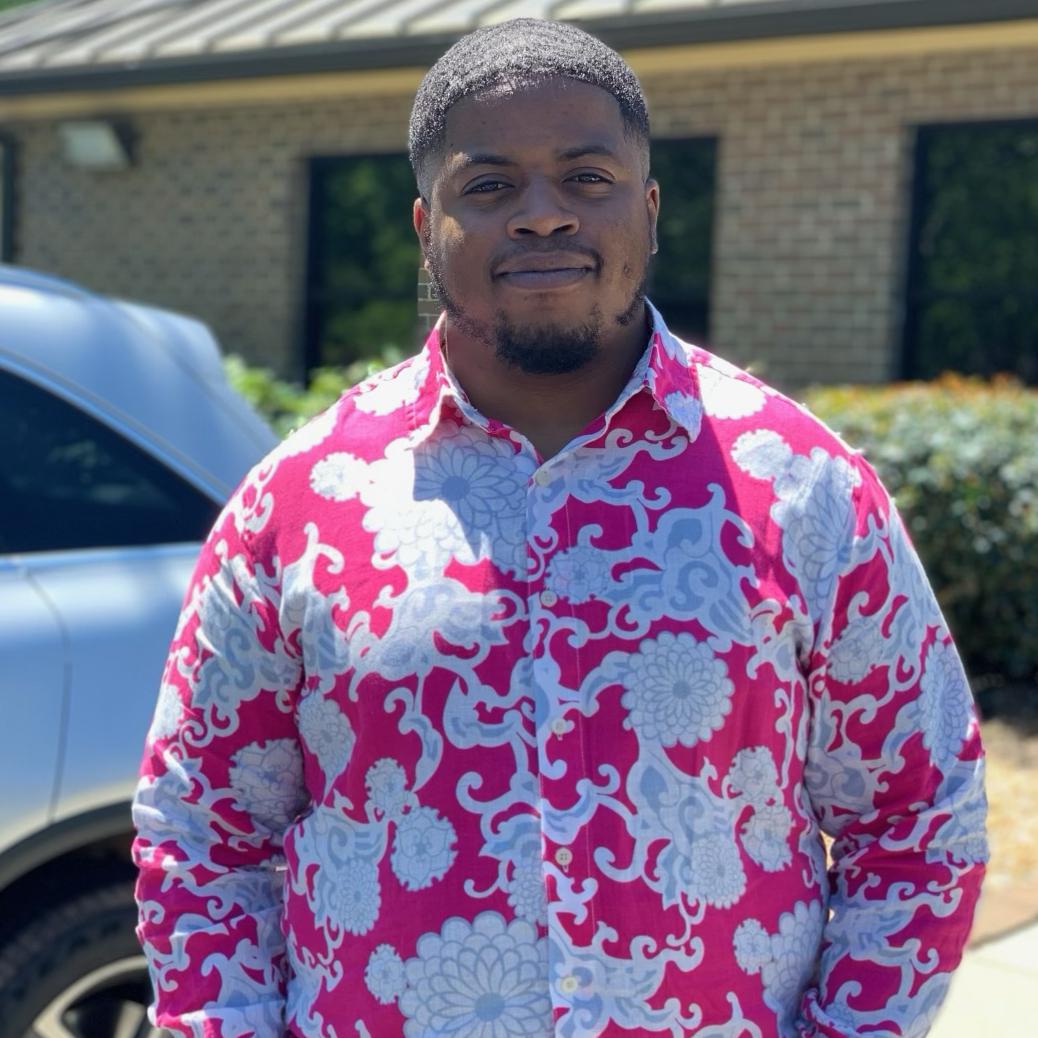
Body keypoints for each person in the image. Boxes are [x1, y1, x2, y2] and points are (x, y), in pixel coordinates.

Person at [133, 17, 987, 1038]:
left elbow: (917, 817)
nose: (543, 215)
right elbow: (202, 833)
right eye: (490, 185)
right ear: (426, 225)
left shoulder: (804, 488)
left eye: (588, 177)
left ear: (649, 209)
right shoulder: (299, 502)